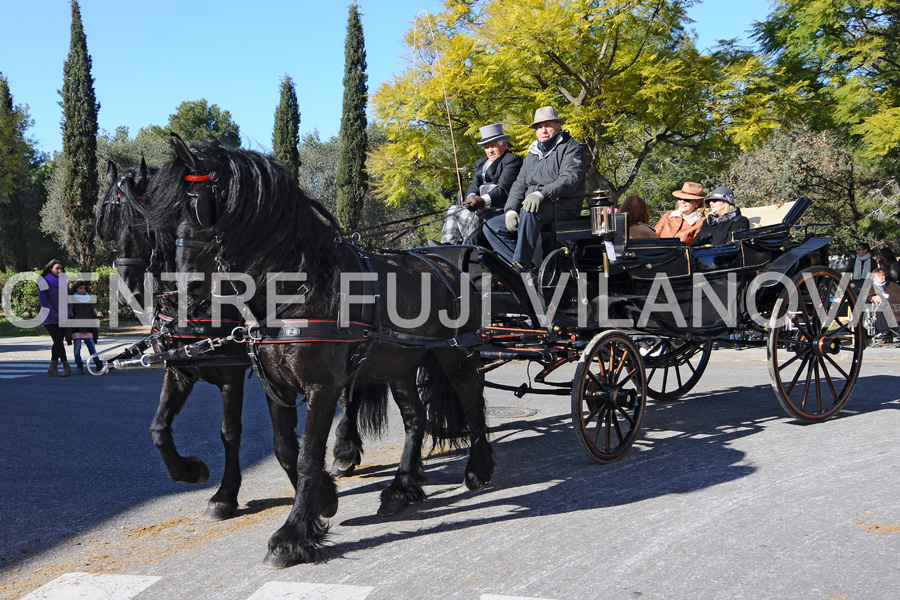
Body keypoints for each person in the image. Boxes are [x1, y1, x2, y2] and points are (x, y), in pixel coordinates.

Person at [482, 106, 587, 271]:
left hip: (562, 206)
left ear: (558, 126)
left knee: (530, 210)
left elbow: (569, 180)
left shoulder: (571, 148)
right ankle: (527, 269)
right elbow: (519, 184)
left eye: (547, 125)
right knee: (491, 226)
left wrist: (541, 194)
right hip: (533, 207)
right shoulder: (532, 153)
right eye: (539, 127)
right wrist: (510, 210)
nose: (543, 130)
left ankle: (520, 263)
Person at [439, 123, 523, 245]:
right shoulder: (481, 163)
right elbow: (474, 185)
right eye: (486, 147)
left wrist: (482, 201)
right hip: (479, 203)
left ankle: (467, 247)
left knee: (479, 214)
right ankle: (448, 245)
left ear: (504, 144)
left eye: (493, 146)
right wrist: (471, 197)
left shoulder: (512, 160)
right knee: (454, 210)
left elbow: (503, 189)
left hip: (499, 206)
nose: (490, 151)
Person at [37, 259, 71, 377]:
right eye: (57, 268)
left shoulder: (63, 281)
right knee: (58, 341)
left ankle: (52, 367)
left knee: (58, 342)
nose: (60, 270)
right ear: (50, 268)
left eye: (61, 268)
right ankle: (67, 367)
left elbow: (68, 298)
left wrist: (69, 311)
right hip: (50, 318)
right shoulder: (43, 282)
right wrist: (55, 314)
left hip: (63, 316)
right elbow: (44, 302)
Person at [68, 280, 103, 374]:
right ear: (76, 289)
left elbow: (92, 314)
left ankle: (98, 363)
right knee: (77, 348)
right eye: (80, 288)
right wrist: (68, 333)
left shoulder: (88, 299)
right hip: (76, 328)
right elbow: (70, 316)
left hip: (87, 327)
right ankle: (79, 365)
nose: (82, 290)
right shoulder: (72, 299)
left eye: (84, 288)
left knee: (92, 347)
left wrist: (95, 331)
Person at [866, 268, 900, 342]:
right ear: (874, 278)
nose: (882, 278)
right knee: (881, 310)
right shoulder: (870, 287)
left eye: (883, 276)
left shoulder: (892, 285)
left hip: (895, 306)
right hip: (880, 307)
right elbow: (864, 297)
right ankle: (885, 331)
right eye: (879, 276)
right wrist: (872, 297)